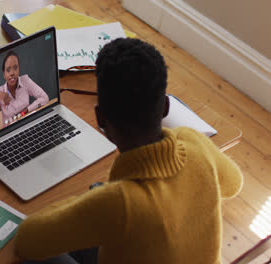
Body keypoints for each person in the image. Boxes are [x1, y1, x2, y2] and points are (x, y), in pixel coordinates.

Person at [13, 38, 243, 263]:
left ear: (100, 118)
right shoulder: (194, 142)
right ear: (165, 107)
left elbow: (27, 240)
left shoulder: (117, 203)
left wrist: (91, 202)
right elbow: (234, 183)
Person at [0, 51, 49, 136]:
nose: (12, 73)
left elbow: (44, 98)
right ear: (4, 74)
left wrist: (27, 110)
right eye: (8, 70)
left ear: (19, 69)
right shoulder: (0, 92)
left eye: (15, 68)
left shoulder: (25, 81)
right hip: (10, 135)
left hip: (28, 128)